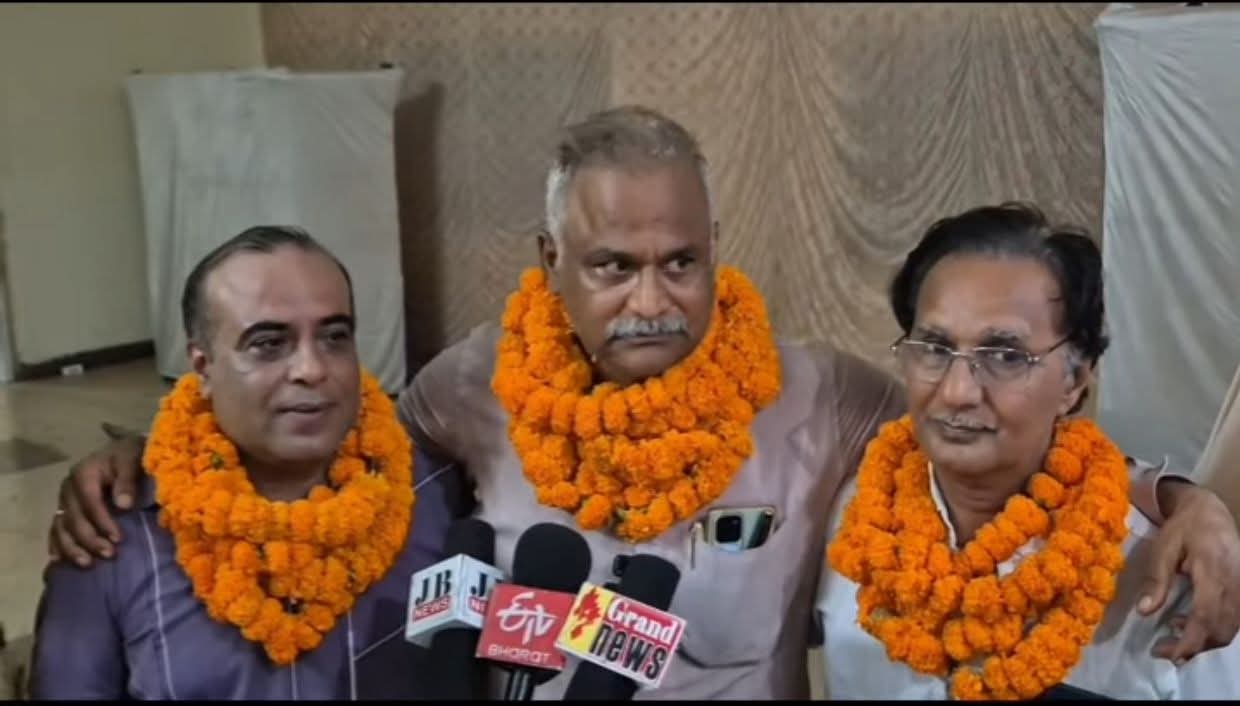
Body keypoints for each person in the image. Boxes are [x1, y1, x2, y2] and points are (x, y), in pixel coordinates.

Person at [45, 108, 1240, 699]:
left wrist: (1177, 493)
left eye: (681, 261)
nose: (653, 300)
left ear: (715, 250)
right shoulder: (469, 386)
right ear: (550, 262)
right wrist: (156, 452)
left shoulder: (822, 394)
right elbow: (328, 442)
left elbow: (984, 430)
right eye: (613, 266)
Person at [816, 203, 1240, 699]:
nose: (957, 391)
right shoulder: (849, 521)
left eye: (1005, 356)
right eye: (934, 348)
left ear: (1074, 381)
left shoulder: (1171, 580)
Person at [30, 227, 453, 698]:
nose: (312, 369)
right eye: (268, 343)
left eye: (335, 337)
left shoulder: (428, 490)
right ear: (203, 367)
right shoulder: (112, 534)